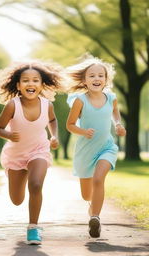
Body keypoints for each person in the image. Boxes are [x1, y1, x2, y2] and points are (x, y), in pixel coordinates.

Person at [0, 60, 65, 245]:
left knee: (36, 184)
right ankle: (15, 182)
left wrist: (54, 136)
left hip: (39, 150)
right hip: (15, 155)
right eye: (26, 80)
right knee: (16, 199)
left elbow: (52, 120)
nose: (31, 84)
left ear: (41, 84)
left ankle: (33, 228)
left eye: (35, 80)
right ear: (18, 85)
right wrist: (7, 134)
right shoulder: (12, 105)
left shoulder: (47, 105)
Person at [65, 54, 126, 238]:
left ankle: (96, 218)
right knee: (86, 195)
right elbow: (70, 125)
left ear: (106, 80)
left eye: (100, 75)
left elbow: (115, 113)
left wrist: (118, 124)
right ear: (84, 80)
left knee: (99, 180)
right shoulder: (79, 101)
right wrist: (83, 132)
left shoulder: (111, 98)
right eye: (92, 75)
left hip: (106, 147)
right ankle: (93, 208)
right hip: (85, 151)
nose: (96, 78)